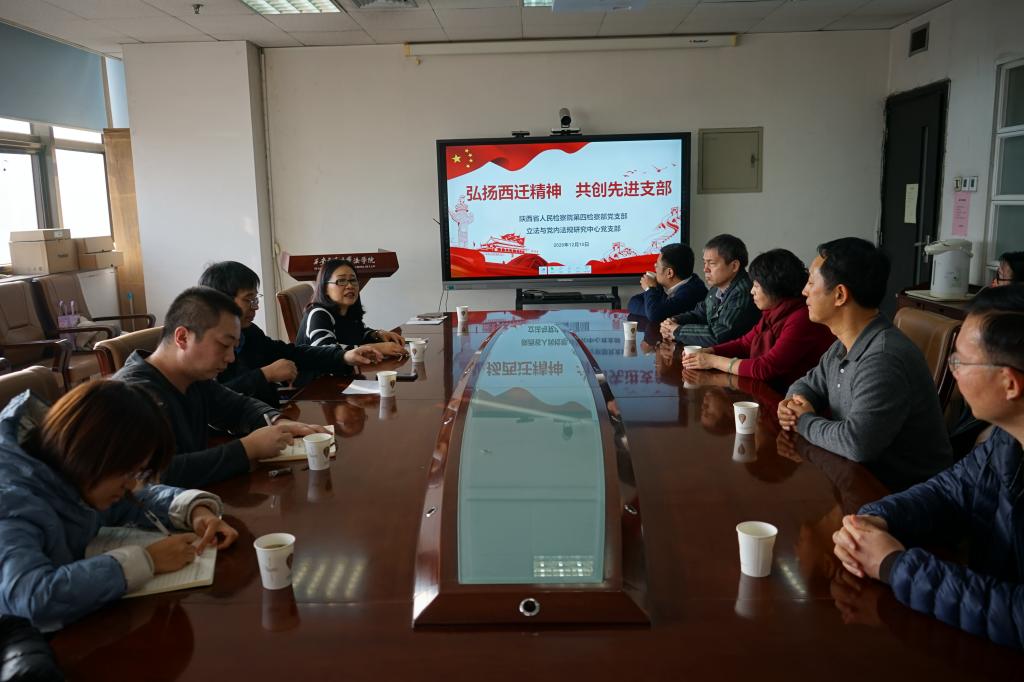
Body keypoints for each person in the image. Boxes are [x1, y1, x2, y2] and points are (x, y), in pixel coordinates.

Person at [832, 285, 1024, 649]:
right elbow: (949, 491)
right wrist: (874, 520)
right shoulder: (1006, 440)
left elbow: (1016, 615)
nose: (953, 370)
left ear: (1010, 383)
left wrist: (894, 565)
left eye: (960, 361)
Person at [0, 381, 238, 633]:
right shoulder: (11, 501)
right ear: (92, 453)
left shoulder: (70, 471)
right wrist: (147, 561)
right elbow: (30, 597)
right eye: (127, 472)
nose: (131, 484)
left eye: (137, 473)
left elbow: (131, 501)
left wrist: (194, 511)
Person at [778, 237, 952, 491]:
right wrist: (793, 404)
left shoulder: (883, 358)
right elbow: (808, 384)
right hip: (854, 477)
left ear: (840, 295)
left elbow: (856, 443)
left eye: (812, 282)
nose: (804, 291)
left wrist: (802, 421)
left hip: (901, 494)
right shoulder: (845, 343)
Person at [114, 287, 325, 488]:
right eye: (224, 345)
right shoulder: (131, 395)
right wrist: (247, 449)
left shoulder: (192, 376)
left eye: (234, 347)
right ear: (183, 337)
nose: (231, 358)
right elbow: (157, 475)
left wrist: (278, 421)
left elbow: (238, 407)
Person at [198, 261, 382, 406]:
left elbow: (292, 352)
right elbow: (210, 399)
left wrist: (344, 356)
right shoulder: (204, 347)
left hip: (268, 417)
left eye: (256, 299)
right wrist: (265, 375)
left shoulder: (249, 332)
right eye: (249, 300)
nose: (256, 307)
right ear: (221, 301)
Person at [682, 248, 834, 391]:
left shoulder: (802, 318)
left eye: (756, 286)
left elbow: (766, 368)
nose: (751, 291)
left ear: (773, 287)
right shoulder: (773, 312)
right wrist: (710, 351)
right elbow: (744, 344)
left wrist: (712, 361)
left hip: (790, 397)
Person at [660, 234, 760, 347]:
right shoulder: (717, 288)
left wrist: (678, 331)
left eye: (711, 263)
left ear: (734, 266)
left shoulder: (744, 291)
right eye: (704, 263)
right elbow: (699, 314)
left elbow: (720, 335)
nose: (705, 269)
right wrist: (674, 321)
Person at [296, 258, 406, 353]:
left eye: (353, 280)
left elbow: (357, 334)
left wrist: (377, 334)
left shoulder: (347, 310)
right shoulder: (318, 314)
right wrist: (378, 348)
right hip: (315, 372)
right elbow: (327, 352)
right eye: (341, 281)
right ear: (325, 288)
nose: (350, 286)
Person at [626, 243, 706, 323]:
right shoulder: (667, 285)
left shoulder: (692, 292)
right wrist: (651, 310)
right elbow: (633, 302)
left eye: (657, 265)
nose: (655, 268)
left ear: (669, 273)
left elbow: (654, 314)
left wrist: (649, 288)